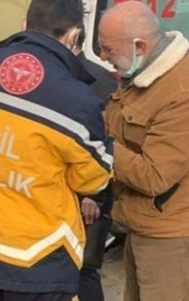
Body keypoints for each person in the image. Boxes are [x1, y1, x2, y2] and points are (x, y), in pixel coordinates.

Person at [0, 0, 113, 300]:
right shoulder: (79, 104)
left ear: (25, 24)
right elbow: (92, 180)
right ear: (74, 36)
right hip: (37, 258)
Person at [97, 1, 189, 301]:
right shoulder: (144, 75)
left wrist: (98, 144)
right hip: (146, 223)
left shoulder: (187, 92)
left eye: (107, 49)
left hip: (175, 235)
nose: (102, 57)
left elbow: (154, 176)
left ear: (139, 45)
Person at [71, 30, 116, 301]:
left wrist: (94, 195)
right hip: (74, 185)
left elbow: (107, 139)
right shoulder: (100, 78)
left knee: (84, 267)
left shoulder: (95, 81)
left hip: (89, 191)